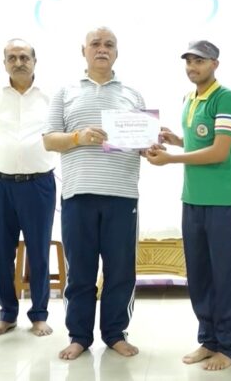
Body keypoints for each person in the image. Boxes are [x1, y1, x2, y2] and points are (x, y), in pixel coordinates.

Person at [43, 27, 144, 360]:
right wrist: (78, 137)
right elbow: (49, 140)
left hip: (123, 195)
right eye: (96, 44)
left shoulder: (133, 95)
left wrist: (152, 144)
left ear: (117, 52)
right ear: (83, 50)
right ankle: (79, 336)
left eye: (109, 44)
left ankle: (115, 333)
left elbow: (141, 142)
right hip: (78, 194)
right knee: (80, 271)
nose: (102, 49)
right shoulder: (65, 92)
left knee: (121, 270)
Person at [145, 40, 231, 371]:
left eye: (199, 61)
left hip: (222, 203)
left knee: (224, 277)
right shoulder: (190, 98)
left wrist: (171, 159)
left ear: (215, 64)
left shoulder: (226, 98)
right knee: (199, 276)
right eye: (188, 61)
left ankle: (227, 347)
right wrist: (177, 140)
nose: (192, 67)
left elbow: (219, 151)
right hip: (192, 200)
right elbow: (201, 141)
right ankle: (209, 339)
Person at [0, 39, 57, 338]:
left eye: (24, 57)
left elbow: (58, 135)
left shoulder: (50, 97)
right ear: (4, 63)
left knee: (39, 251)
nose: (18, 62)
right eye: (12, 57)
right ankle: (7, 314)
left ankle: (39, 315)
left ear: (35, 61)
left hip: (38, 185)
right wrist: (4, 160)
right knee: (0, 251)